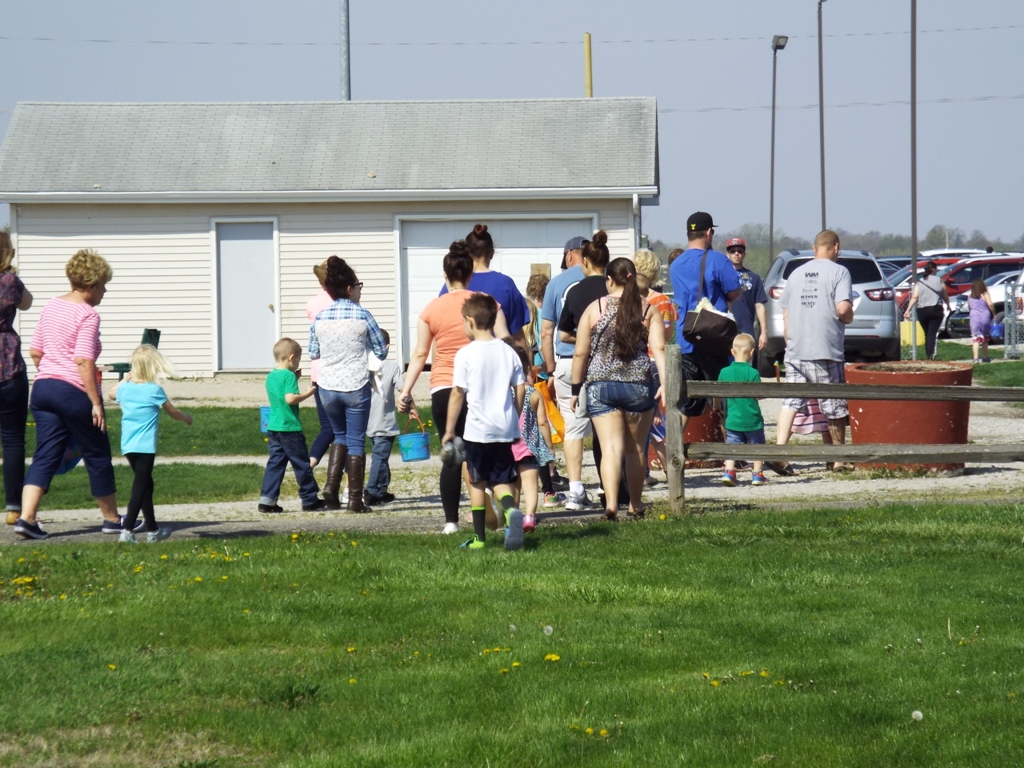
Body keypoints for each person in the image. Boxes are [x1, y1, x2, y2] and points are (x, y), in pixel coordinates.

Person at [398, 240, 511, 533]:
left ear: (445, 275)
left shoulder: (431, 309)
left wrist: (406, 391)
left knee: (452, 454)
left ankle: (451, 521)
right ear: (470, 274)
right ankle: (491, 502)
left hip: (443, 387)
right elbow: (505, 340)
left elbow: (420, 354)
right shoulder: (485, 303)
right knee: (483, 451)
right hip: (482, 387)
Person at [15, 249, 120, 540]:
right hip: (73, 390)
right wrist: (95, 402)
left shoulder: (51, 305)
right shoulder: (87, 314)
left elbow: (36, 350)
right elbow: (83, 360)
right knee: (97, 452)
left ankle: (26, 518)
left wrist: (52, 374)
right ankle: (112, 519)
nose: (105, 291)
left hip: (43, 388)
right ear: (91, 284)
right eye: (103, 285)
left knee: (45, 454)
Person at [570, 256, 666, 520]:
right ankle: (635, 504)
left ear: (610, 280)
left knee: (610, 449)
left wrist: (576, 389)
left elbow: (580, 353)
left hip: (601, 385)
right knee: (635, 449)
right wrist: (665, 384)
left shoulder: (595, 308)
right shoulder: (648, 309)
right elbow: (659, 349)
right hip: (638, 385)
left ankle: (611, 504)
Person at [441, 293, 526, 551]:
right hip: (505, 428)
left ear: (470, 321)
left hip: (478, 430)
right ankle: (510, 512)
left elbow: (458, 393)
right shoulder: (508, 351)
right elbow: (520, 388)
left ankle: (479, 539)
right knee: (501, 479)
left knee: (476, 481)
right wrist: (514, 415)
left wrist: (449, 430)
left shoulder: (465, 354)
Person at [309, 256, 387, 513]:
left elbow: (313, 352)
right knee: (355, 441)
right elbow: (381, 350)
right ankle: (355, 500)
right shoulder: (363, 315)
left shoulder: (321, 317)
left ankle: (331, 487)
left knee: (339, 435)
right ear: (349, 289)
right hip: (355, 384)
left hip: (327, 386)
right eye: (359, 286)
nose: (360, 290)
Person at [773, 230, 854, 474]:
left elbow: (786, 312)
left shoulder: (796, 273)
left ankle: (778, 453)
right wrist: (849, 317)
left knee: (791, 402)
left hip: (796, 349)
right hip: (825, 348)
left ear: (814, 248)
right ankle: (838, 460)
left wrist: (789, 341)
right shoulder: (840, 272)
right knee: (834, 405)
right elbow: (842, 309)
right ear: (836, 247)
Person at [108, 344, 193, 542]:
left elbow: (111, 393)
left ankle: (153, 530)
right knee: (140, 486)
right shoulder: (154, 390)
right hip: (145, 447)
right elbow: (172, 412)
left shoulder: (125, 389)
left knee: (146, 484)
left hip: (128, 446)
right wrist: (186, 418)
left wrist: (124, 380)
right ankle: (127, 530)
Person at [668, 212, 741, 436]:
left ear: (688, 233)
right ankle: (732, 450)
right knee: (726, 397)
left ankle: (674, 447)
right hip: (715, 338)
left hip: (687, 338)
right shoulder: (717, 260)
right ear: (709, 232)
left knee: (687, 403)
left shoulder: (676, 264)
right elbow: (735, 291)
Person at [555, 235, 614, 510]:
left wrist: (584, 339)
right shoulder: (614, 289)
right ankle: (608, 485)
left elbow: (562, 333)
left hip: (575, 365)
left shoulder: (575, 291)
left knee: (574, 428)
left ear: (585, 261)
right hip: (610, 364)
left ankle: (575, 489)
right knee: (608, 429)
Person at [258, 338, 326, 514]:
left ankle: (267, 500)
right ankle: (310, 499)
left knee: (275, 464)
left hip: (273, 427)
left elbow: (280, 394)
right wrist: (307, 393)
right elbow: (290, 399)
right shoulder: (288, 376)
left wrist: (294, 378)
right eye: (298, 360)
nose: (297, 364)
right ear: (291, 357)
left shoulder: (271, 376)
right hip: (290, 428)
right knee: (302, 464)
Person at [440, 224, 531, 346]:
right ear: (492, 253)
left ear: (467, 253)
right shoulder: (506, 285)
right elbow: (518, 336)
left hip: (457, 354)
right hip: (495, 356)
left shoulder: (451, 286)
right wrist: (524, 358)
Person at [631, 248, 675, 483]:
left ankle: (643, 470)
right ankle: (670, 469)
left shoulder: (627, 300)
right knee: (656, 420)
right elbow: (666, 335)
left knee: (639, 418)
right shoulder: (662, 301)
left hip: (633, 361)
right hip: (655, 361)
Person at [0, 232, 32, 526]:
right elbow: (27, 303)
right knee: (12, 441)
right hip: (8, 366)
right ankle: (13, 507)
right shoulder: (9, 281)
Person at [509, 344, 554, 533]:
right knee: (530, 485)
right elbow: (543, 422)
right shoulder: (534, 394)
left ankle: (514, 516)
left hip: (509, 446)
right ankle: (529, 516)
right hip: (529, 447)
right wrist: (549, 446)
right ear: (527, 367)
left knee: (513, 486)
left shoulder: (505, 393)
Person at [365, 329, 410, 506]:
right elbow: (403, 390)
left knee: (381, 456)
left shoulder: (363, 366)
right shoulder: (392, 367)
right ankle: (371, 491)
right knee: (380, 458)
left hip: (367, 421)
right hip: (384, 421)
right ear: (387, 346)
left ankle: (381, 491)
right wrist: (411, 407)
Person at [718, 334, 767, 487]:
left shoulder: (724, 372)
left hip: (733, 419)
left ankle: (729, 472)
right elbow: (758, 395)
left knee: (732, 445)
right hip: (753, 419)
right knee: (757, 446)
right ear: (752, 352)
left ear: (732, 352)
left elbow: (717, 393)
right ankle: (757, 474)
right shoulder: (753, 373)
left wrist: (717, 407)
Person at [305, 261, 337, 470]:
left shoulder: (312, 302)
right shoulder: (340, 301)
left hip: (318, 370)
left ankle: (308, 465)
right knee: (345, 431)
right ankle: (348, 481)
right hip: (338, 370)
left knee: (327, 427)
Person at [724, 238, 768, 351]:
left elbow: (759, 306)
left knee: (747, 361)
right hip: (725, 331)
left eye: (740, 251)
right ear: (727, 254)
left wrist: (763, 332)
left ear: (744, 254)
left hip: (746, 331)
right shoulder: (721, 277)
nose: (736, 253)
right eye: (732, 251)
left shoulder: (754, 278)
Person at [903, 260, 950, 360]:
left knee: (927, 333)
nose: (937, 271)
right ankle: (931, 355)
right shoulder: (939, 280)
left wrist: (908, 310)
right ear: (933, 269)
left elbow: (915, 297)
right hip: (935, 309)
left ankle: (928, 355)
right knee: (932, 333)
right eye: (936, 269)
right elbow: (945, 296)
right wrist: (948, 306)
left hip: (922, 311)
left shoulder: (920, 282)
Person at [968, 278, 995, 363]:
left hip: (974, 317)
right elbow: (990, 304)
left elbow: (969, 306)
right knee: (985, 338)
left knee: (975, 339)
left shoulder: (970, 296)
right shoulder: (985, 294)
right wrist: (994, 313)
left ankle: (975, 358)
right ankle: (984, 357)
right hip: (984, 316)